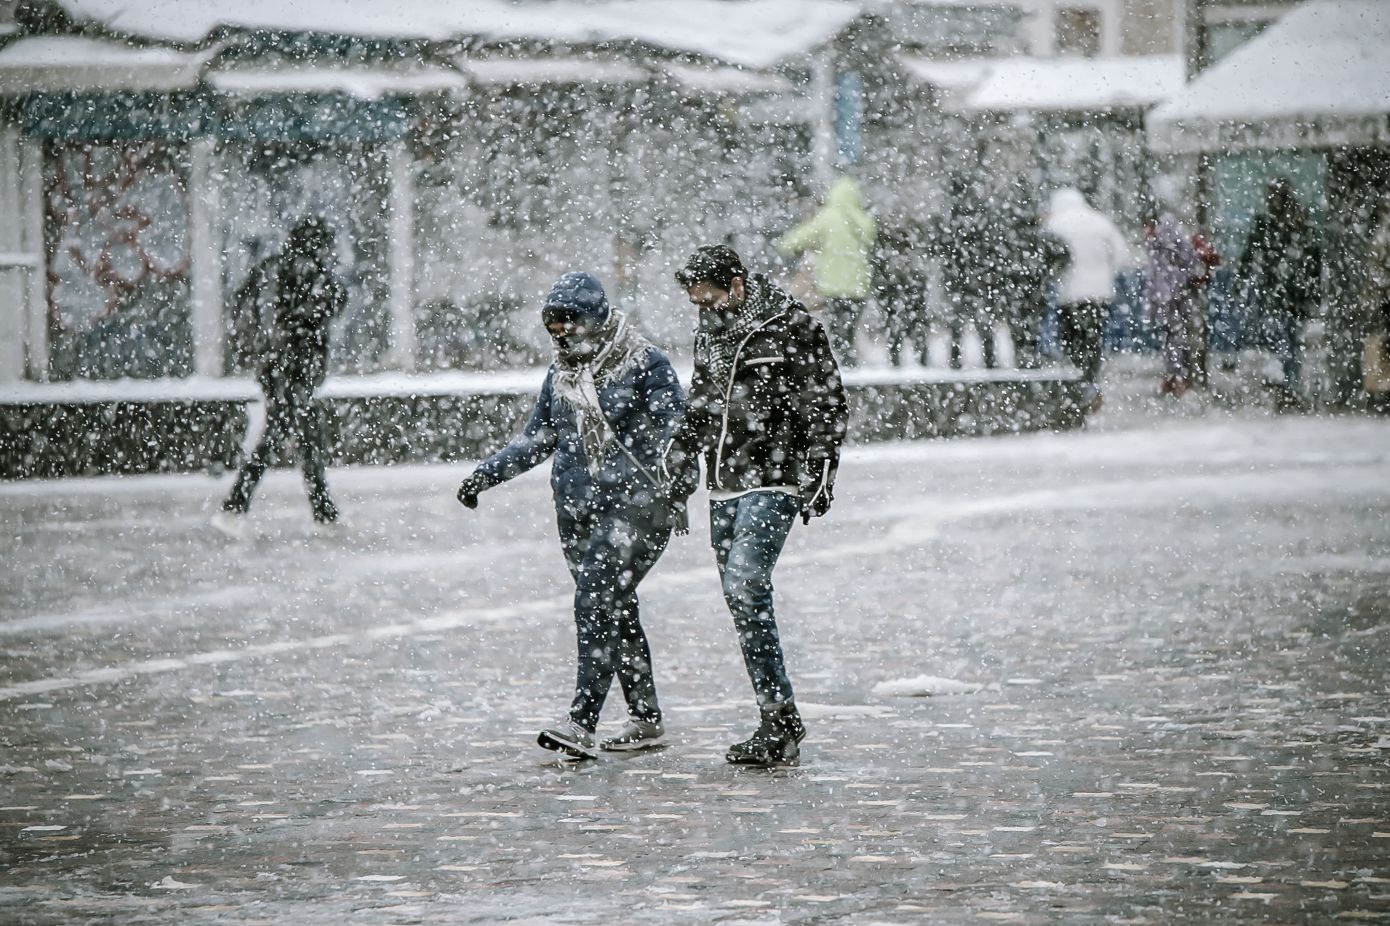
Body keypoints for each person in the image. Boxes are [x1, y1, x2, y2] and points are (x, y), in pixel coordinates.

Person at [455, 272, 684, 760]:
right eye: (552, 322)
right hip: (579, 512)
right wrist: (485, 476)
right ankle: (646, 719)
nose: (560, 330)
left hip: (636, 510)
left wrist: (665, 485)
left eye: (569, 319)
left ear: (596, 317)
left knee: (596, 600)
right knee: (614, 607)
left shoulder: (645, 364)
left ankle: (582, 720)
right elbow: (538, 438)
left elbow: (676, 432)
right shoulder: (562, 375)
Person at [665, 245, 848, 766]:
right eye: (698, 303)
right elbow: (701, 401)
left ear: (738, 283)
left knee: (746, 584)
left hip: (775, 475)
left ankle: (777, 719)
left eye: (713, 299)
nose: (707, 310)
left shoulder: (790, 325)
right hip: (722, 481)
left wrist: (820, 468)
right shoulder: (709, 332)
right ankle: (780, 716)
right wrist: (679, 459)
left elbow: (826, 398)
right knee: (738, 599)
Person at [213, 218, 346, 535]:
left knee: (301, 433)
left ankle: (322, 510)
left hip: (274, 367)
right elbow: (317, 311)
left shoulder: (271, 268)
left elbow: (247, 310)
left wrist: (260, 352)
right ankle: (236, 506)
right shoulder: (308, 272)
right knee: (286, 433)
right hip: (293, 368)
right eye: (325, 244)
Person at [1043, 188, 1131, 414]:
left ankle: (1078, 385)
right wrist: (1105, 273)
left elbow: (1045, 259)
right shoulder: (1100, 222)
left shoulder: (1055, 225)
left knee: (1071, 341)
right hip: (1099, 293)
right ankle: (1092, 382)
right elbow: (1121, 254)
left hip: (1069, 293)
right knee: (1093, 340)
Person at [1238, 177, 1321, 410]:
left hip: (1283, 291)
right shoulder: (1289, 223)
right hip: (1287, 292)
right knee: (1287, 340)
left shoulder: (1278, 224)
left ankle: (1287, 386)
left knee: (1285, 340)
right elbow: (1312, 259)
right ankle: (1287, 385)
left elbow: (1310, 259)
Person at [775, 176, 876, 367]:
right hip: (859, 284)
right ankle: (850, 361)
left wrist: (783, 244)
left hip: (835, 283)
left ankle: (846, 364)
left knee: (838, 327)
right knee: (850, 326)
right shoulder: (863, 220)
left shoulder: (830, 216)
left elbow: (804, 235)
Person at [1144, 201, 1203, 397]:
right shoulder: (1175, 243)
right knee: (1177, 338)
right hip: (1178, 296)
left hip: (1167, 298)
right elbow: (1191, 263)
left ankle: (1175, 376)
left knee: (1171, 338)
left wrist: (1153, 301)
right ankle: (1179, 377)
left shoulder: (1160, 245)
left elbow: (1154, 274)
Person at [871, 215, 932, 367]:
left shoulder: (888, 255)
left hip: (897, 292)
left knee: (896, 325)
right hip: (906, 292)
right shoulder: (912, 256)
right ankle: (919, 358)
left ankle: (898, 358)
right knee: (913, 324)